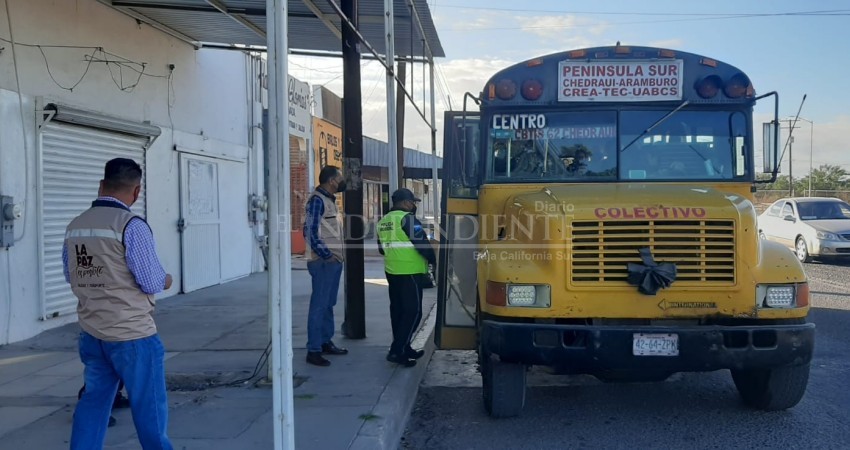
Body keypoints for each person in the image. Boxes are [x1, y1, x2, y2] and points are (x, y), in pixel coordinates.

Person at [63, 158, 173, 449]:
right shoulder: (131, 225)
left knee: (94, 403)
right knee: (150, 412)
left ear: (101, 186)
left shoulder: (75, 227)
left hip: (92, 333)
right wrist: (166, 279)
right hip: (132, 336)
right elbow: (150, 281)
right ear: (136, 192)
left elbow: (69, 274)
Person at [376, 188, 437, 367]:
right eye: (412, 202)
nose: (413, 206)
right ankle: (397, 351)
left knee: (398, 311)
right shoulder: (407, 219)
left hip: (392, 271)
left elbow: (381, 249)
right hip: (410, 272)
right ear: (404, 203)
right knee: (413, 312)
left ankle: (404, 346)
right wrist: (434, 261)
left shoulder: (383, 221)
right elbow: (423, 244)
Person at [302, 165, 349, 367]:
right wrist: (326, 255)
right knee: (319, 305)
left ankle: (324, 341)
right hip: (323, 262)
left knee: (328, 304)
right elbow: (310, 231)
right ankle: (313, 350)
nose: (342, 181)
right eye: (340, 178)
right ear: (331, 181)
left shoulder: (330, 201)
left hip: (333, 261)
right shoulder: (317, 201)